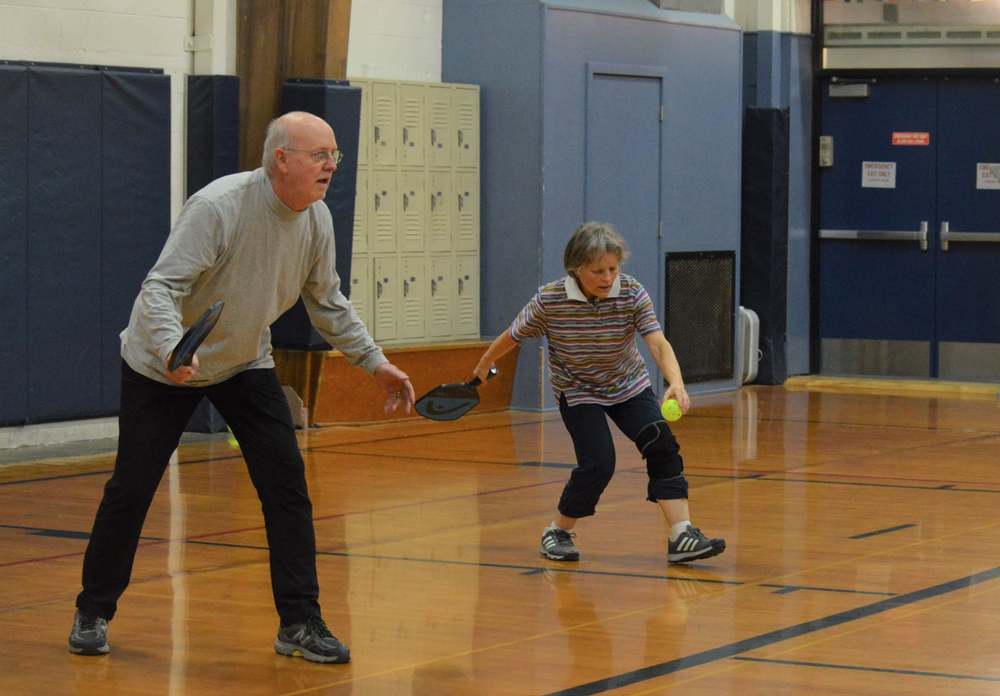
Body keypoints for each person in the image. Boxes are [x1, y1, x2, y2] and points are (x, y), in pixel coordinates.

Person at [68, 111, 415, 663]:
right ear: (282, 158)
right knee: (131, 490)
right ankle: (93, 610)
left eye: (335, 156)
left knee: (287, 488)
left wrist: (374, 362)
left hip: (244, 363)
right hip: (162, 364)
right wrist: (167, 349)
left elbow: (327, 301)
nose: (331, 166)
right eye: (319, 155)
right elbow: (160, 288)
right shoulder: (219, 207)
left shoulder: (316, 219)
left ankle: (299, 623)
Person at [473, 222, 725, 565]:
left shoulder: (632, 292)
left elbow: (657, 341)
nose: (607, 278)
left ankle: (681, 534)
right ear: (576, 269)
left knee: (661, 443)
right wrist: (485, 362)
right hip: (578, 391)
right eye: (598, 271)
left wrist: (676, 382)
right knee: (599, 463)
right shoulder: (550, 300)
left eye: (612, 269)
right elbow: (513, 335)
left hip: (628, 384)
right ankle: (557, 531)